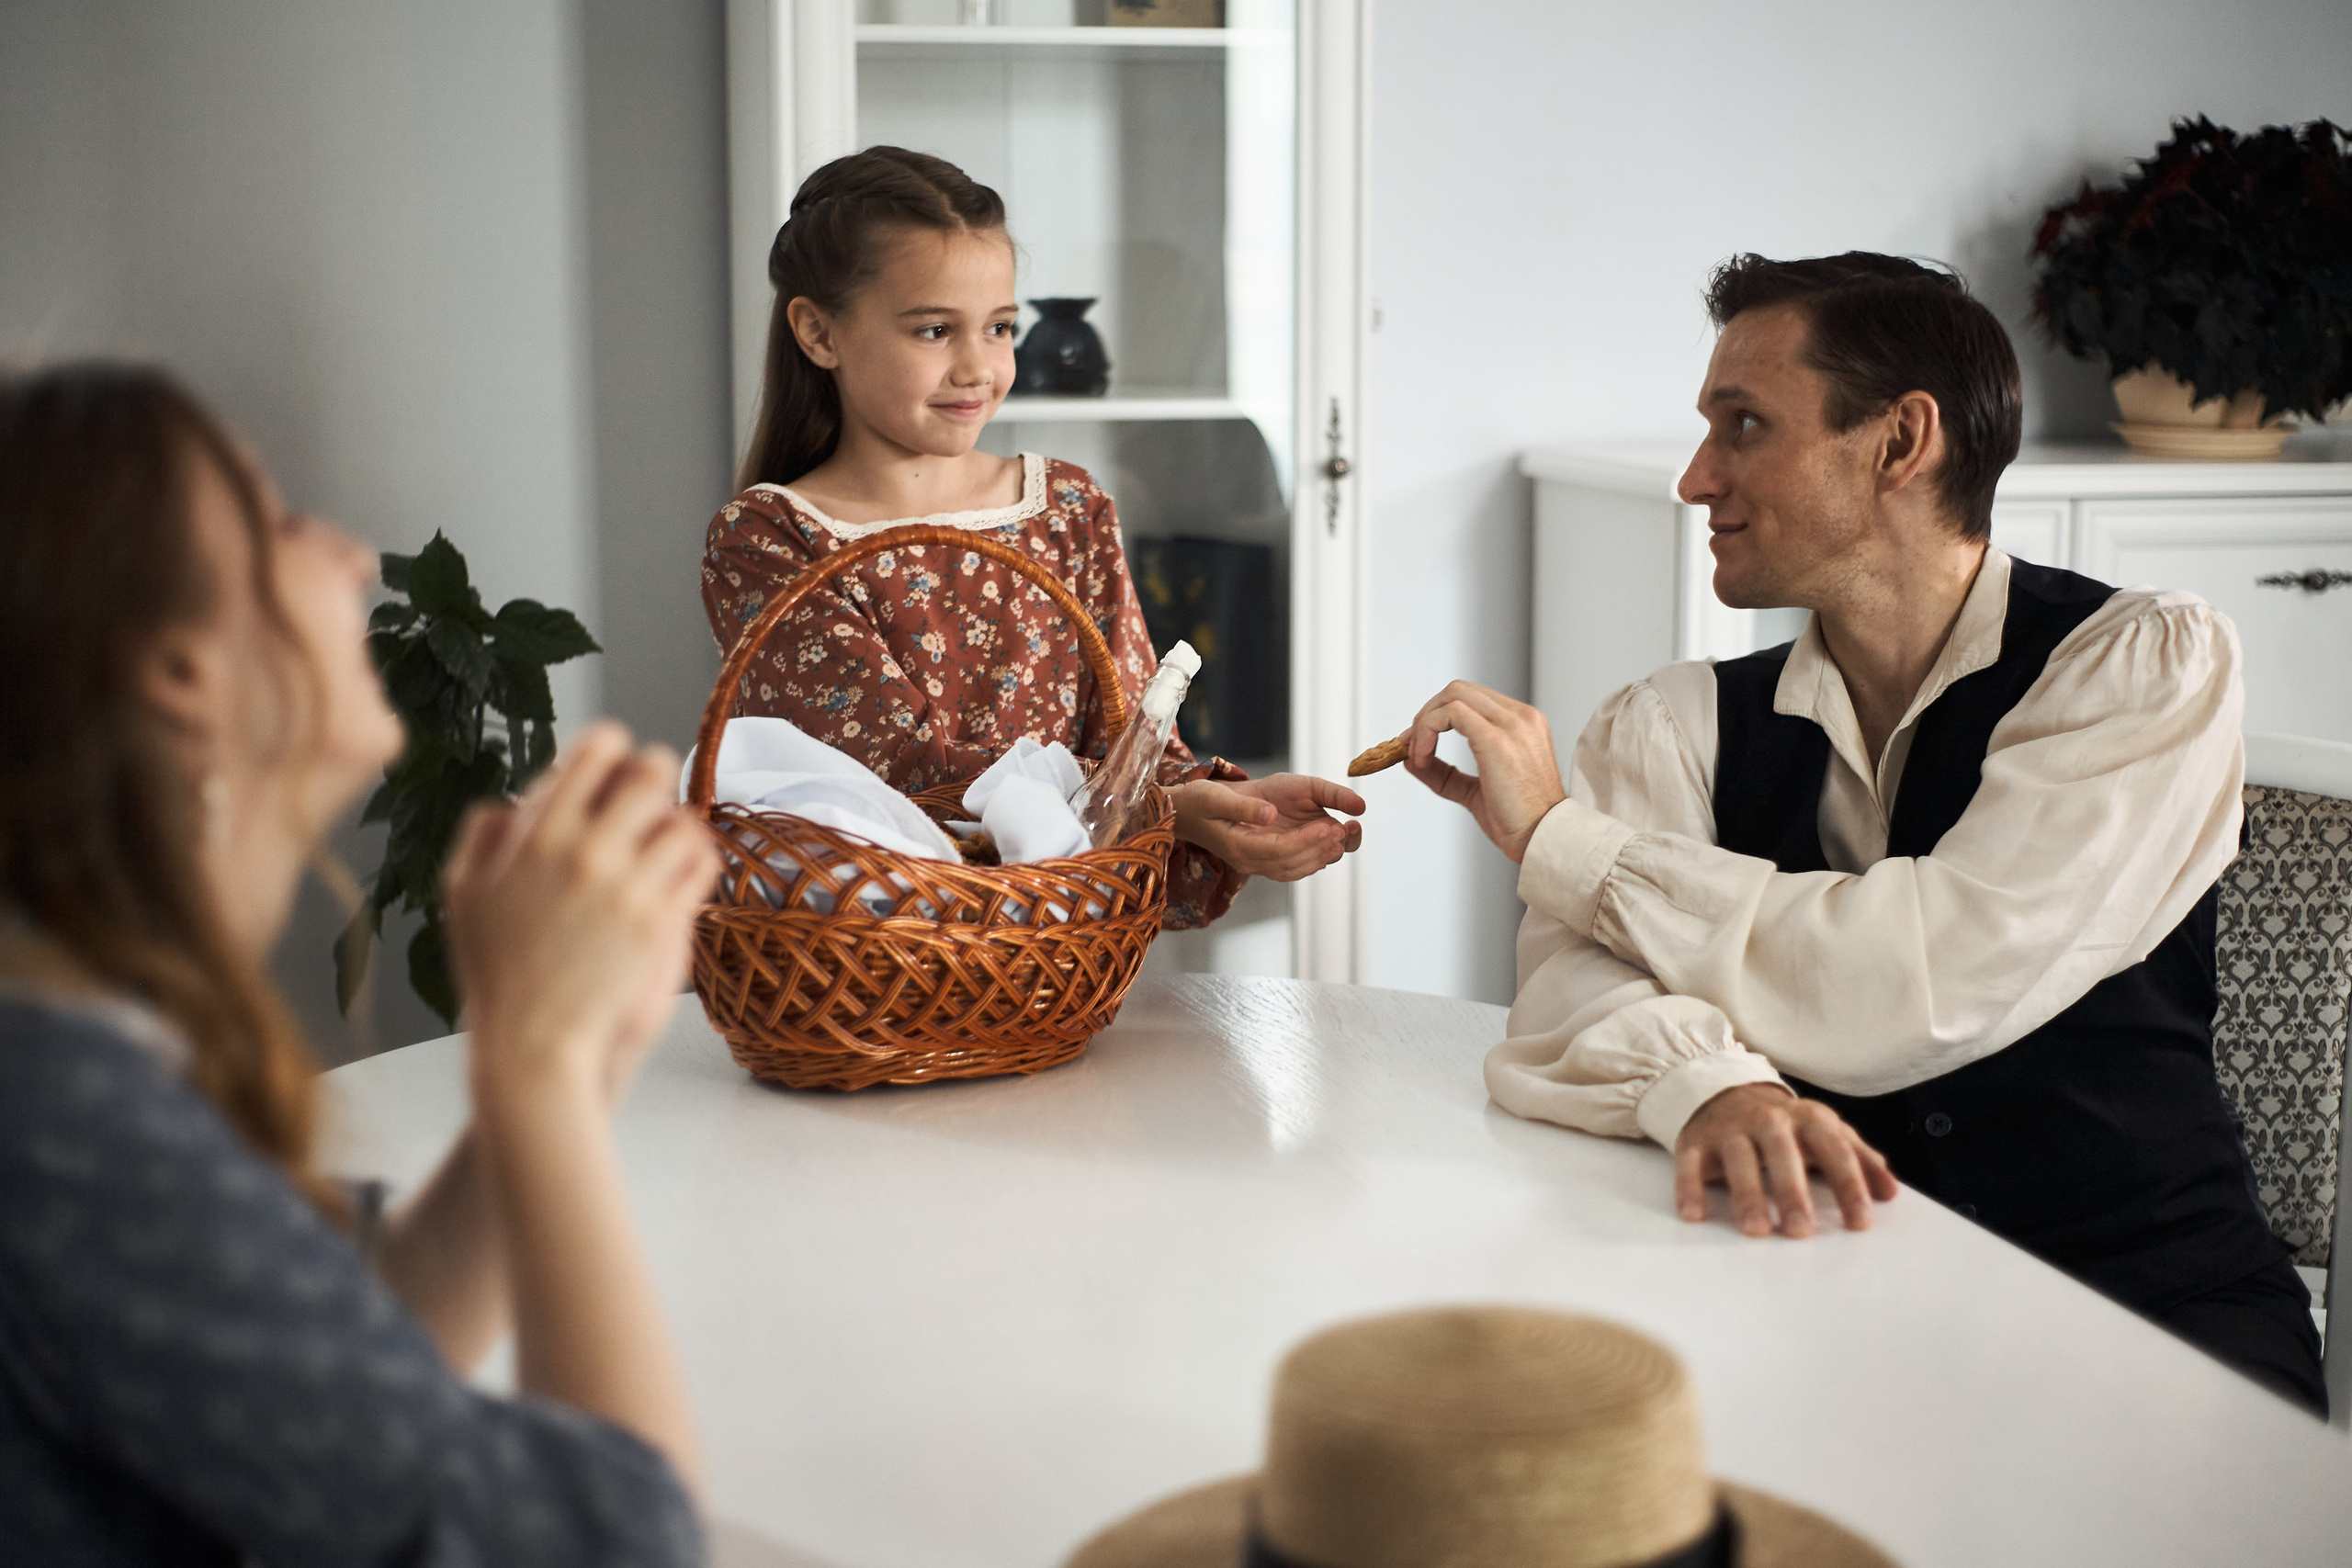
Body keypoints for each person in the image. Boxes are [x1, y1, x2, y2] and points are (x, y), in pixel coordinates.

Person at [1400, 254, 2324, 1415]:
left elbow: (1927, 971)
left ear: (1899, 443)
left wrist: (1563, 842)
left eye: (1743, 425)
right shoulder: (1676, 722)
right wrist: (1714, 1089)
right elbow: (1575, 990)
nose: (1695, 477)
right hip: (1820, 1304)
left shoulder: (2138, 666)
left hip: (2153, 1314)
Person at [0, 364, 720, 1560]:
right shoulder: (54, 1113)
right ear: (179, 670)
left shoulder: (73, 1049)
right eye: (279, 521)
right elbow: (614, 1541)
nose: (346, 552)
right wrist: (537, 1074)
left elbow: (347, 1356)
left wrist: (562, 1049)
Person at [702, 146, 1363, 926]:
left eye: (1001, 327)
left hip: (1056, 962)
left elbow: (1137, 741)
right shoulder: (770, 538)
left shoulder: (1069, 509)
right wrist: (1165, 806)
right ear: (818, 333)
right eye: (935, 330)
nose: (978, 366)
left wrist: (1227, 808)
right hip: (878, 964)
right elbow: (891, 782)